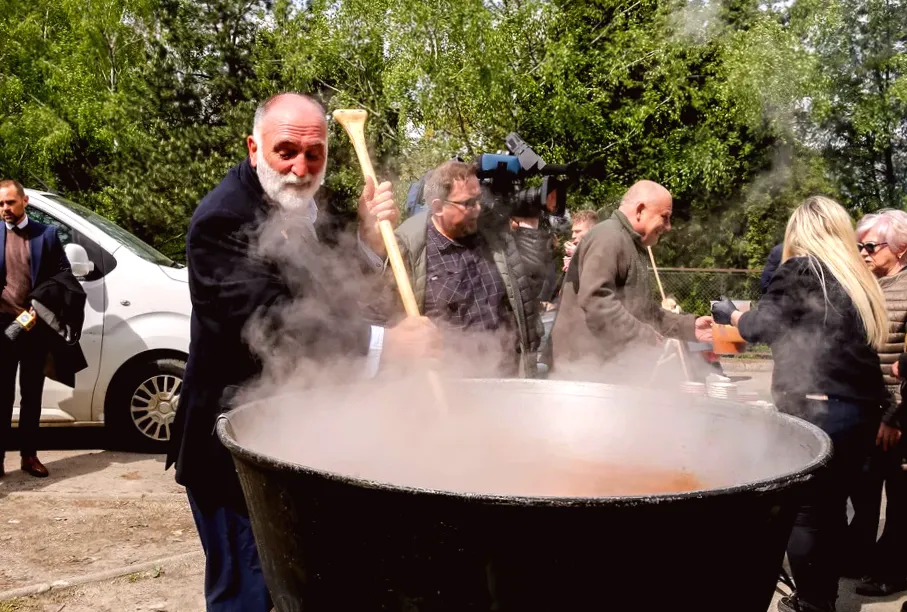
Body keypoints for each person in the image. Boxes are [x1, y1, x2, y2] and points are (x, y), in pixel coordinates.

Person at [166, 93, 440, 612]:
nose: (300, 167)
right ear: (254, 148)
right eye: (285, 151)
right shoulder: (222, 220)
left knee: (301, 588)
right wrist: (386, 345)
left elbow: (337, 297)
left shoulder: (314, 207)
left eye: (313, 154)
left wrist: (365, 239)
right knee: (247, 595)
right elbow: (269, 322)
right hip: (234, 448)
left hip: (300, 435)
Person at [711, 196, 890, 612]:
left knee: (806, 514)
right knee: (830, 510)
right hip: (861, 411)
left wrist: (732, 315)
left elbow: (761, 327)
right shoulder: (855, 275)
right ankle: (818, 597)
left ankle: (814, 603)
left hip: (817, 407)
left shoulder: (802, 269)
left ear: (800, 232)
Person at [383, 159, 545, 377]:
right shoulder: (409, 248)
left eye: (478, 199)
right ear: (438, 207)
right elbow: (387, 319)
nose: (477, 209)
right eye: (468, 203)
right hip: (446, 388)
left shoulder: (494, 237)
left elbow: (528, 289)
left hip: (505, 381)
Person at [549, 180, 713, 380]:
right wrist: (644, 335)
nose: (668, 227)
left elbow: (644, 311)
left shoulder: (631, 243)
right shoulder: (609, 237)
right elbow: (596, 300)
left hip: (609, 370)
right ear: (640, 210)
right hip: (586, 371)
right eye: (665, 217)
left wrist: (690, 327)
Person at [845, 209, 907, 596]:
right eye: (859, 246)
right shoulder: (871, 284)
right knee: (863, 490)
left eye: (871, 246)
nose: (864, 253)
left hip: (895, 415)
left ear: (900, 249)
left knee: (899, 500)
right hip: (867, 410)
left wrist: (895, 416)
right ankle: (861, 556)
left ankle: (894, 571)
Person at [0, 179, 75, 479]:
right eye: (1, 204)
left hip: (34, 323)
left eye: (10, 203)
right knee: (1, 394)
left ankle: (29, 456)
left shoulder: (46, 235)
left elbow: (63, 276)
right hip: (3, 326)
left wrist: (40, 305)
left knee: (32, 394)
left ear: (25, 201)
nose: (5, 209)